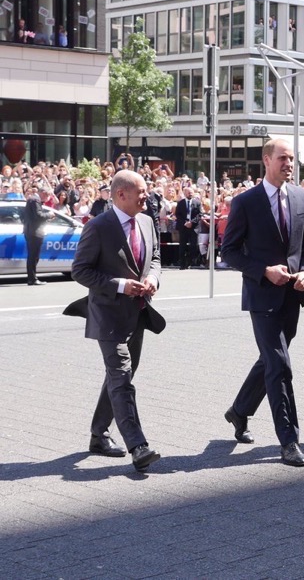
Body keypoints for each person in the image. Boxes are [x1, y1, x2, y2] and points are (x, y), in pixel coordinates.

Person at [220, 139, 304, 467]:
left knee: (271, 361)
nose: (289, 164)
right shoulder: (245, 202)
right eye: (282, 158)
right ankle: (289, 440)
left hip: (292, 296)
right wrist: (263, 271)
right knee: (280, 365)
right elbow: (229, 251)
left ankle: (239, 410)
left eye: (292, 159)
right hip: (262, 296)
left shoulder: (303, 196)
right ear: (266, 160)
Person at [66, 170, 165, 472]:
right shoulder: (98, 227)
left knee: (121, 376)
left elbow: (157, 258)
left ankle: (98, 435)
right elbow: (80, 270)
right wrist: (120, 284)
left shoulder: (147, 222)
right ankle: (139, 446)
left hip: (137, 313)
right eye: (141, 192)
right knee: (121, 377)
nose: (147, 197)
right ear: (121, 194)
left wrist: (152, 278)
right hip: (107, 314)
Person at [23, 188, 54, 285]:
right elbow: (39, 215)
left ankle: (32, 277)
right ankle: (32, 278)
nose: (47, 199)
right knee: (33, 256)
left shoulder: (33, 200)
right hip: (34, 232)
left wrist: (47, 219)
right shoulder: (35, 200)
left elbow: (35, 218)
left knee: (34, 256)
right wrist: (49, 214)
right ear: (43, 193)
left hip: (32, 231)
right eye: (47, 196)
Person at [175, 187, 200, 269]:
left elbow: (199, 215)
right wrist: (185, 223)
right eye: (188, 192)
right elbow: (178, 215)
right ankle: (182, 264)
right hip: (183, 227)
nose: (190, 194)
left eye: (191, 192)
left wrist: (191, 222)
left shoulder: (197, 203)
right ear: (185, 193)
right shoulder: (181, 203)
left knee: (193, 245)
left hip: (193, 227)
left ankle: (190, 262)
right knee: (182, 246)